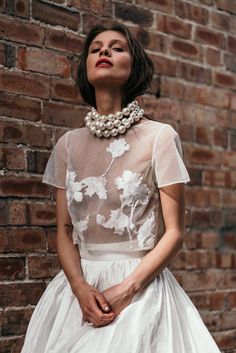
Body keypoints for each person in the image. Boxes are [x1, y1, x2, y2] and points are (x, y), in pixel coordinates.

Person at [20, 23, 221, 353]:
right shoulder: (68, 145)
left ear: (135, 64)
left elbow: (174, 233)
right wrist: (79, 288)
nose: (103, 51)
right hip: (76, 293)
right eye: (96, 47)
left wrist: (126, 290)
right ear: (86, 65)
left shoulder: (160, 138)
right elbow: (64, 229)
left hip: (139, 289)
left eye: (117, 47)